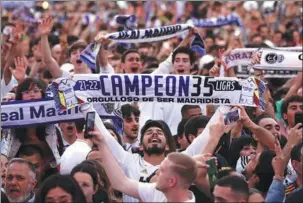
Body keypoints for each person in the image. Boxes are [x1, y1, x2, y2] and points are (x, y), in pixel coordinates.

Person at [90, 127, 197, 202]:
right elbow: (121, 183)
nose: (157, 172)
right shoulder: (156, 192)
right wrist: (102, 144)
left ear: (172, 181)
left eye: (162, 170)